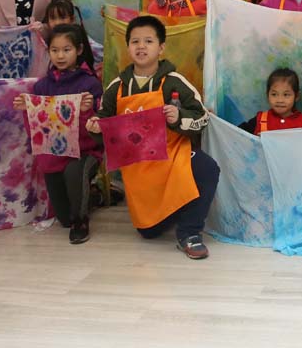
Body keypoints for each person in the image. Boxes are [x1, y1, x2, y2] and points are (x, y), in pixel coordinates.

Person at [86, 15, 219, 259]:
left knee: (207, 168)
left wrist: (178, 118)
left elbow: (202, 117)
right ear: (128, 47)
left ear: (161, 47)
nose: (141, 46)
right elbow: (104, 124)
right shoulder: (116, 88)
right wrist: (95, 127)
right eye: (135, 41)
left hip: (173, 154)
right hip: (139, 166)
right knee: (149, 232)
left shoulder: (174, 81)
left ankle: (189, 232)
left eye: (148, 41)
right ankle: (175, 209)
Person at [13, 24, 103, 244]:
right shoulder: (41, 87)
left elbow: (97, 128)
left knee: (74, 174)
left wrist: (86, 111)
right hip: (54, 154)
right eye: (55, 50)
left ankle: (82, 221)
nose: (60, 56)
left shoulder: (90, 84)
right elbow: (36, 130)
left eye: (66, 49)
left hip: (84, 151)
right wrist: (27, 109)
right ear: (48, 52)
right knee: (64, 219)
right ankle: (94, 196)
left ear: (79, 50)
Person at [238, 68, 302, 134]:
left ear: (296, 96)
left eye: (286, 95)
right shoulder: (260, 120)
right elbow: (237, 136)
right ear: (267, 95)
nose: (280, 100)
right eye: (274, 94)